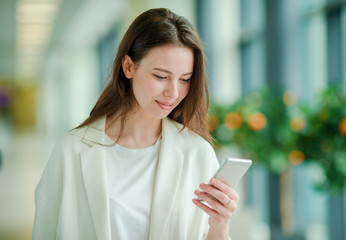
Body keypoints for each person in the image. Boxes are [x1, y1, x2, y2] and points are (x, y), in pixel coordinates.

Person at [32, 8, 239, 240]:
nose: (173, 92)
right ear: (129, 67)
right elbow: (44, 231)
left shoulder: (197, 153)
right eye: (161, 76)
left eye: (185, 80)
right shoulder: (71, 150)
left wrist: (220, 226)